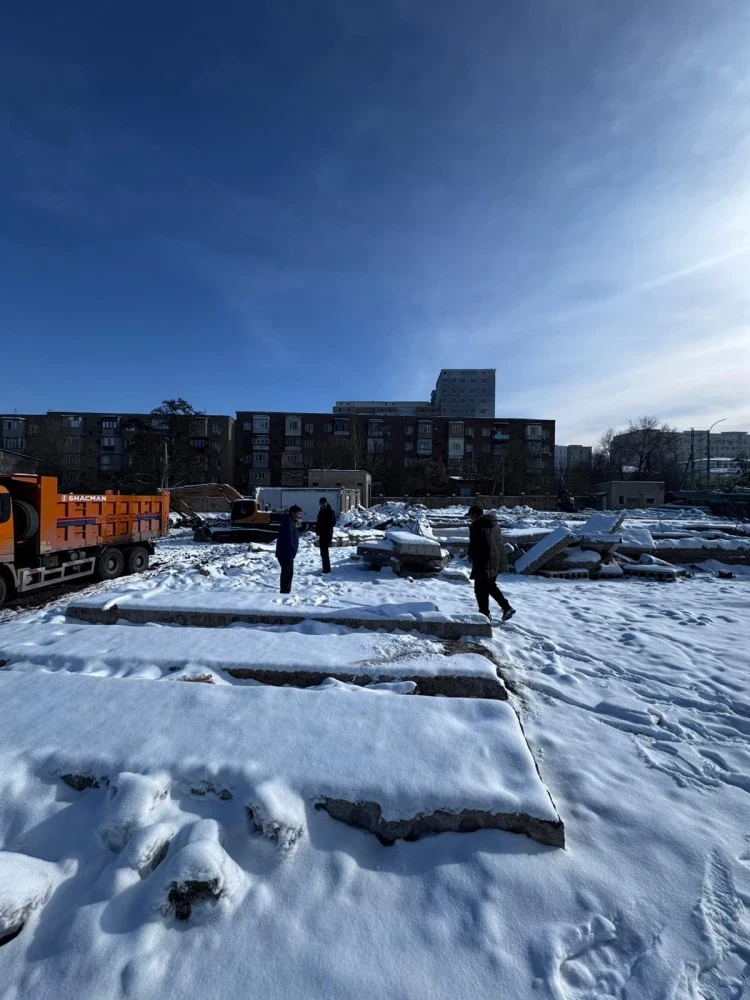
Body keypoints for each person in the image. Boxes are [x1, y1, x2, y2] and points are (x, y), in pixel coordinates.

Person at [467, 504, 516, 622]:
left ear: (474, 515)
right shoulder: (492, 523)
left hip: (484, 562)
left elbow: (480, 545)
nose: (470, 518)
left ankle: (484, 615)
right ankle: (506, 607)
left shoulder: (478, 526)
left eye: (470, 516)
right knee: (489, 586)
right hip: (496, 560)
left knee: (480, 589)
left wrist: (471, 555)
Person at [275, 504, 302, 593]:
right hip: (286, 552)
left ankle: (284, 591)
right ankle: (285, 592)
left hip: (286, 552)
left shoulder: (289, 521)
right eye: (298, 514)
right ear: (292, 513)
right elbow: (289, 538)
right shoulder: (288, 522)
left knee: (286, 573)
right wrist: (292, 551)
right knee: (287, 574)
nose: (299, 516)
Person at [315, 497, 337, 574]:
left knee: (324, 552)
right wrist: (317, 531)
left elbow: (333, 522)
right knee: (323, 552)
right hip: (322, 534)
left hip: (327, 534)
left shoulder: (330, 511)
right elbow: (319, 522)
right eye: (321, 504)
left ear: (326, 503)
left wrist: (325, 528)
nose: (323, 505)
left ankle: (327, 570)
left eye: (324, 504)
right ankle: (325, 568)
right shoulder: (321, 511)